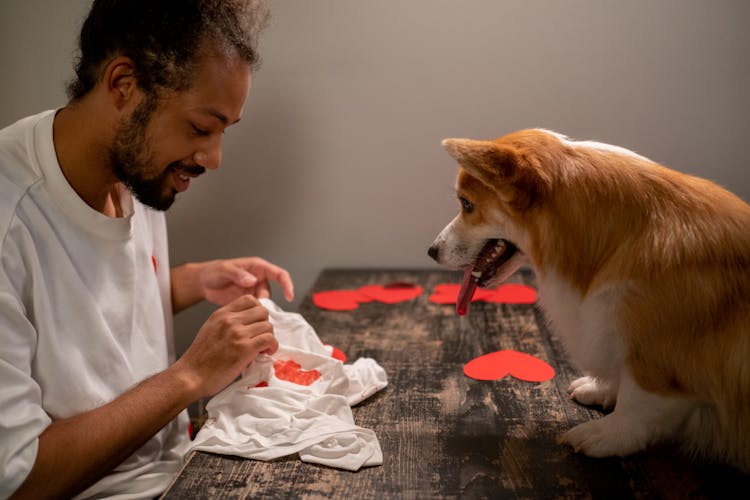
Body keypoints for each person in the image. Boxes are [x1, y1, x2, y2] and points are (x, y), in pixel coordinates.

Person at [0, 1, 295, 498]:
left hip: (180, 470)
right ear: (123, 84)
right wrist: (190, 376)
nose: (214, 158)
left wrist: (188, 281)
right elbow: (19, 478)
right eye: (201, 128)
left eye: (224, 131)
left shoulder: (136, 171)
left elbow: (83, 297)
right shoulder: (11, 218)